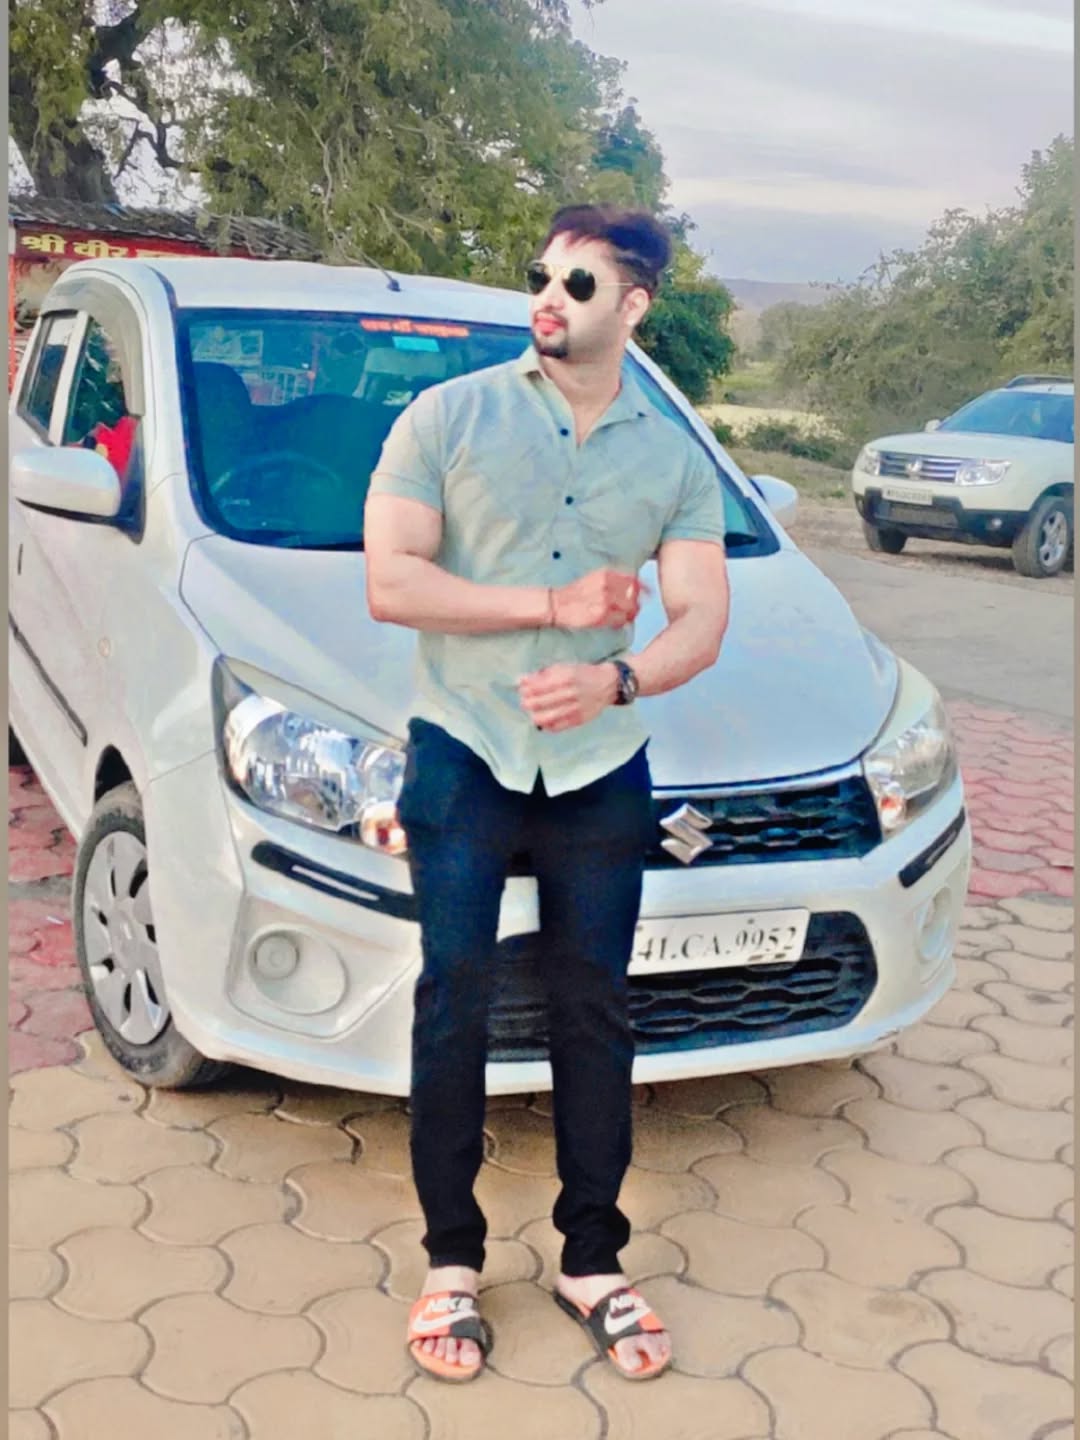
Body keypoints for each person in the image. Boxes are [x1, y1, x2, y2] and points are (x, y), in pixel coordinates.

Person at [364, 202, 730, 1384]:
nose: (548, 297)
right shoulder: (448, 415)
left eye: (578, 283)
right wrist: (552, 609)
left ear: (634, 304)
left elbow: (702, 618)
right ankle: (451, 1264)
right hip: (464, 746)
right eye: (540, 276)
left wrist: (618, 678)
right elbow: (392, 582)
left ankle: (591, 1260)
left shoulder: (673, 455)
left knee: (595, 1008)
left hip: (598, 766)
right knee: (454, 1001)